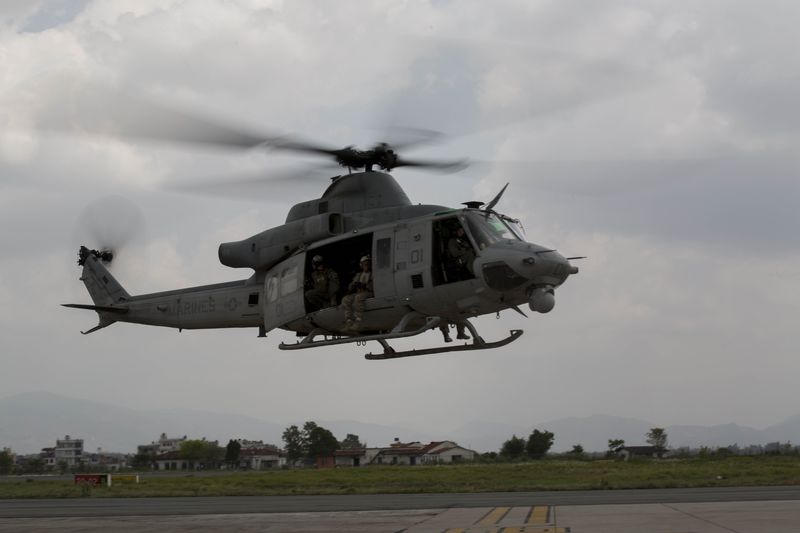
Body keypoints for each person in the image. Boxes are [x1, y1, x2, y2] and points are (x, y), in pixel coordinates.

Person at [342, 255, 374, 331]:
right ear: (361, 265)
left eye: (368, 263)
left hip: (369, 292)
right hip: (359, 292)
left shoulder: (372, 274)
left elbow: (374, 286)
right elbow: (351, 286)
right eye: (364, 264)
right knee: (346, 299)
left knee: (358, 298)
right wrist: (353, 285)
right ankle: (349, 321)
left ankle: (358, 321)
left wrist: (365, 285)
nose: (366, 265)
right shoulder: (358, 275)